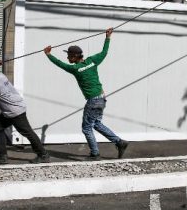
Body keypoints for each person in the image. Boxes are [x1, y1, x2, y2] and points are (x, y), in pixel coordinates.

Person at [43, 27, 128, 160]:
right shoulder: (92, 61)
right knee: (96, 124)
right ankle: (119, 142)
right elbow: (104, 52)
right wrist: (107, 37)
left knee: (86, 128)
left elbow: (59, 64)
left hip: (93, 100)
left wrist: (48, 54)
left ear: (74, 57)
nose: (67, 58)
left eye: (68, 56)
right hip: (102, 98)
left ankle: (95, 154)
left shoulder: (75, 69)